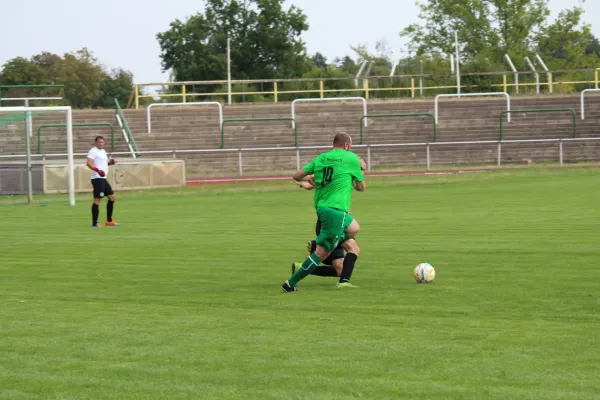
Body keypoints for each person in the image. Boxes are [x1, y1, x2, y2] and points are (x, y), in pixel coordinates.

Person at [282, 132, 365, 292]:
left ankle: (325, 247)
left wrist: (310, 180)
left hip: (323, 209)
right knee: (321, 254)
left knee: (354, 228)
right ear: (347, 145)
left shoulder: (321, 158)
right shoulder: (351, 158)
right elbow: (361, 187)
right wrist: (358, 173)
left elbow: (297, 176)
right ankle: (290, 283)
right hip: (335, 211)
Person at [87, 136, 119, 227]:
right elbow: (88, 163)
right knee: (97, 199)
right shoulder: (93, 151)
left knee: (112, 198)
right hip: (97, 178)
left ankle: (109, 221)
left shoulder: (103, 151)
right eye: (99, 142)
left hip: (103, 178)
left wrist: (110, 163)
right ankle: (94, 223)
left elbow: (103, 164)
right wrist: (97, 170)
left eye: (102, 142)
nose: (101, 144)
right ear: (95, 142)